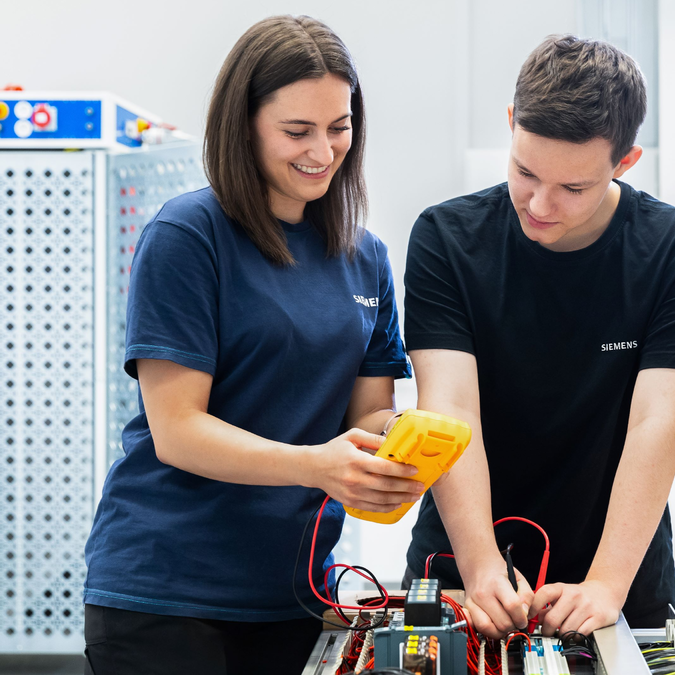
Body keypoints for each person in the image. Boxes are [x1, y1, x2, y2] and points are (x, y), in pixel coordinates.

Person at [83, 16, 422, 674]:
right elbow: (177, 431)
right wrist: (315, 464)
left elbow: (366, 417)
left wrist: (405, 438)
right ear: (244, 125)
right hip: (165, 594)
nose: (323, 151)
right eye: (297, 131)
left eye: (339, 127)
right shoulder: (188, 236)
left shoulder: (364, 255)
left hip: (293, 595)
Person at [402, 34, 675, 638]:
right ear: (511, 123)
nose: (540, 203)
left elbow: (660, 422)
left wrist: (606, 582)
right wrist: (479, 565)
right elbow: (448, 409)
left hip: (619, 575)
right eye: (525, 171)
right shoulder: (447, 238)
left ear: (625, 161)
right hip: (463, 567)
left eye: (573, 188)